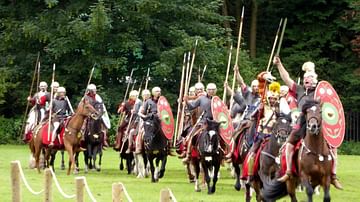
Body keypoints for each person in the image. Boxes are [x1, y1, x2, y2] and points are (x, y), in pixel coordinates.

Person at [273, 56, 342, 189]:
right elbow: (286, 79)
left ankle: (333, 175)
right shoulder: (299, 90)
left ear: (314, 80)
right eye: (305, 79)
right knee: (289, 144)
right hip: (302, 123)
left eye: (309, 79)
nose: (306, 81)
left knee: (333, 147)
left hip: (319, 123)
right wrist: (279, 65)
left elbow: (330, 106)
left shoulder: (319, 92)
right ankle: (288, 171)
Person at [181, 83, 217, 163]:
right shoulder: (201, 99)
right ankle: (188, 155)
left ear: (215, 91)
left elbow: (222, 111)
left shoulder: (217, 100)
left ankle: (224, 153)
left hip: (214, 123)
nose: (211, 91)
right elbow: (191, 106)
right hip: (203, 122)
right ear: (207, 90)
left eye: (213, 90)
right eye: (210, 89)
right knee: (192, 136)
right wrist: (186, 101)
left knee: (222, 137)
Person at [85, 84, 110, 148]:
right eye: (93, 90)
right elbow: (83, 107)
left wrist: (99, 113)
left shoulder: (98, 97)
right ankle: (82, 138)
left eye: (94, 90)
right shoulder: (86, 97)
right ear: (89, 91)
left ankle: (104, 140)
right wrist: (89, 113)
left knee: (103, 125)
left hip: (97, 114)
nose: (94, 91)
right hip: (87, 114)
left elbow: (101, 106)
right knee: (82, 124)